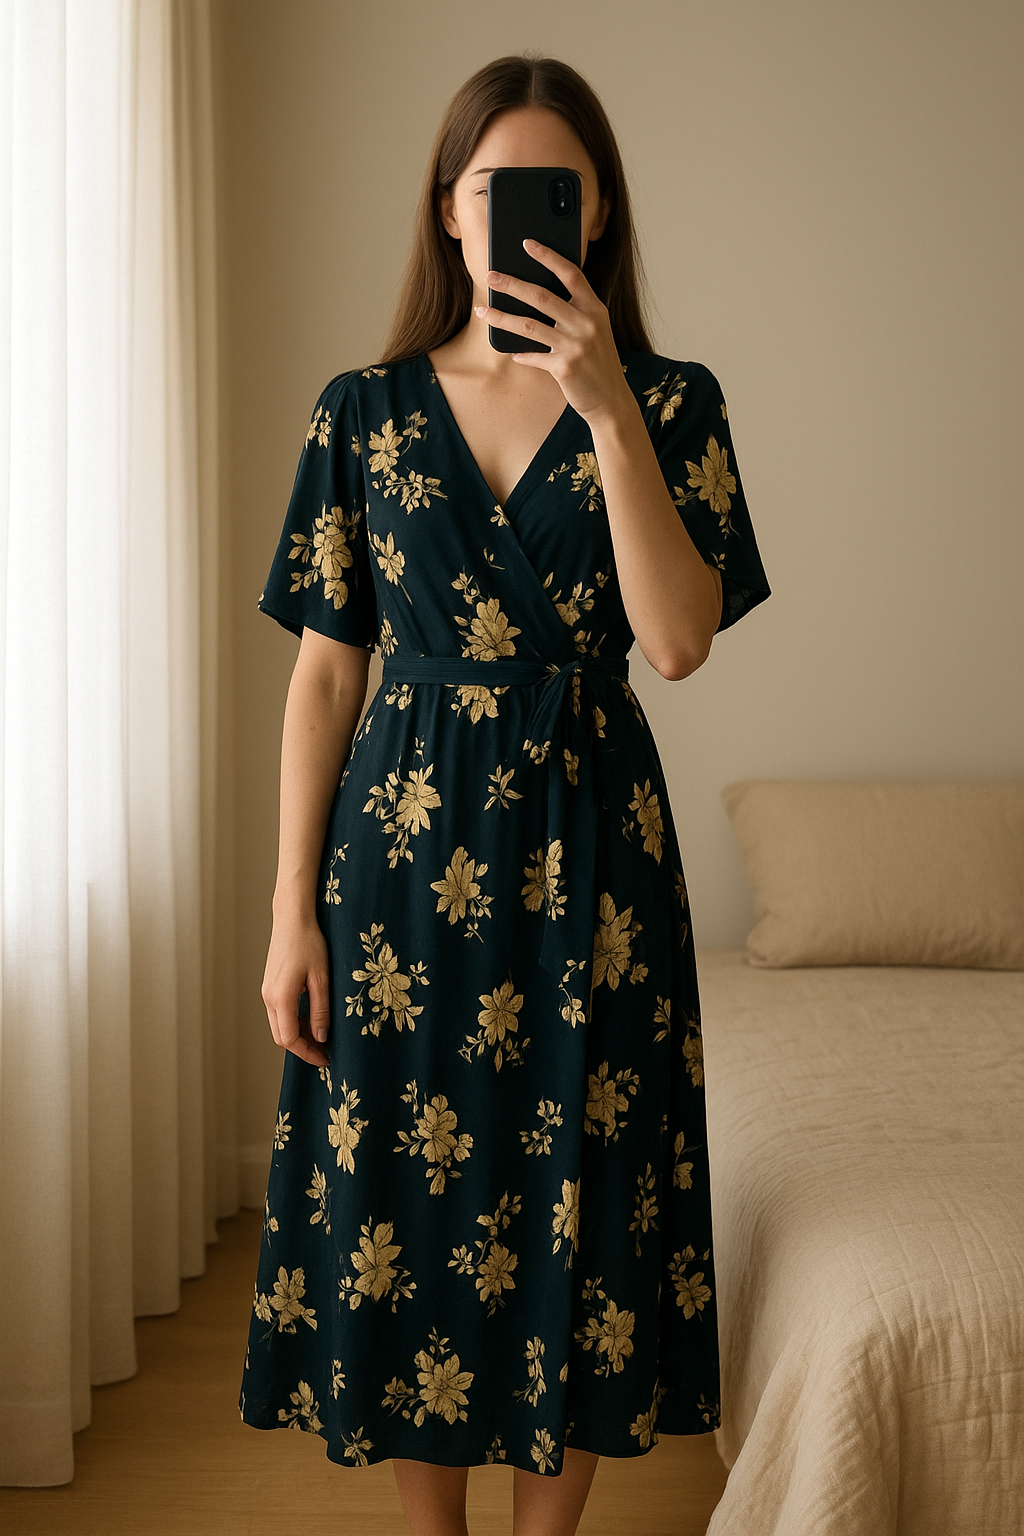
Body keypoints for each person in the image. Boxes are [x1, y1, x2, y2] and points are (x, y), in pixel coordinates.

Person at [240, 52, 770, 1536]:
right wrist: (290, 913)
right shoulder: (362, 410)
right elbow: (324, 681)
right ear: (450, 210)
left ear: (595, 217)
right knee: (411, 1201)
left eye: (557, 190)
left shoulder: (671, 404)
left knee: (580, 1199)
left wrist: (606, 415)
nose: (523, 215)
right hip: (401, 866)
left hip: (596, 860)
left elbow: (677, 642)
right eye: (494, 187)